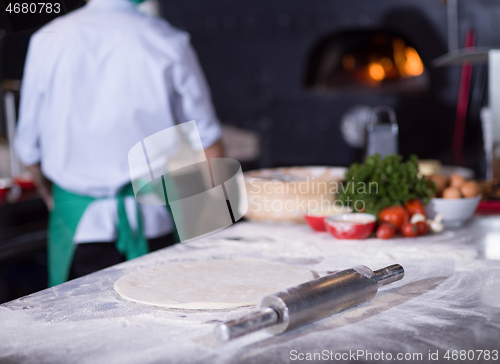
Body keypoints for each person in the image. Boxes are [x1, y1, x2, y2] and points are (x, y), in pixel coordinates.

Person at [14, 0, 224, 286]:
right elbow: (208, 147)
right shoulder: (167, 40)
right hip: (154, 226)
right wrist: (211, 237)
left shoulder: (46, 39)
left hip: (78, 229)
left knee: (78, 328)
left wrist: (54, 199)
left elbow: (27, 150)